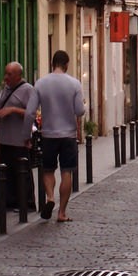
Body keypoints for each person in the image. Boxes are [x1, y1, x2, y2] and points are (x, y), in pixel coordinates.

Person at [33, 51, 85, 222]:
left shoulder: (41, 83)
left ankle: (50, 198)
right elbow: (79, 111)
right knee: (66, 172)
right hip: (68, 134)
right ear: (67, 64)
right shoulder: (74, 84)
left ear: (52, 63)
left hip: (48, 133)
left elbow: (30, 111)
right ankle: (61, 212)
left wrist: (26, 134)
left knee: (48, 169)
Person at [0, 62, 38, 211]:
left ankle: (27, 202)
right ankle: (10, 201)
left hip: (20, 139)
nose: (6, 77)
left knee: (22, 172)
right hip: (5, 138)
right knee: (8, 173)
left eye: (9, 74)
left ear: (19, 75)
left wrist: (13, 110)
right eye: (5, 73)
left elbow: (32, 113)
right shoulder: (5, 89)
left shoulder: (28, 90)